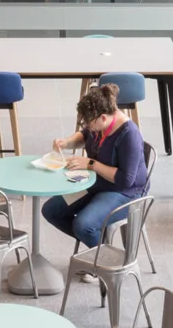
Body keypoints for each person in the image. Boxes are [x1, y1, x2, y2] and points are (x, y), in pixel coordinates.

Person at [41, 82, 149, 248]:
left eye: (89, 123)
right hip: (95, 183)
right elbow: (84, 135)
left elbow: (125, 179)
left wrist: (91, 164)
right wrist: (67, 142)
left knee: (83, 225)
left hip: (125, 192)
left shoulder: (129, 135)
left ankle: (102, 260)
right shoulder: (99, 125)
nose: (87, 127)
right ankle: (99, 244)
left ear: (103, 118)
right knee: (51, 210)